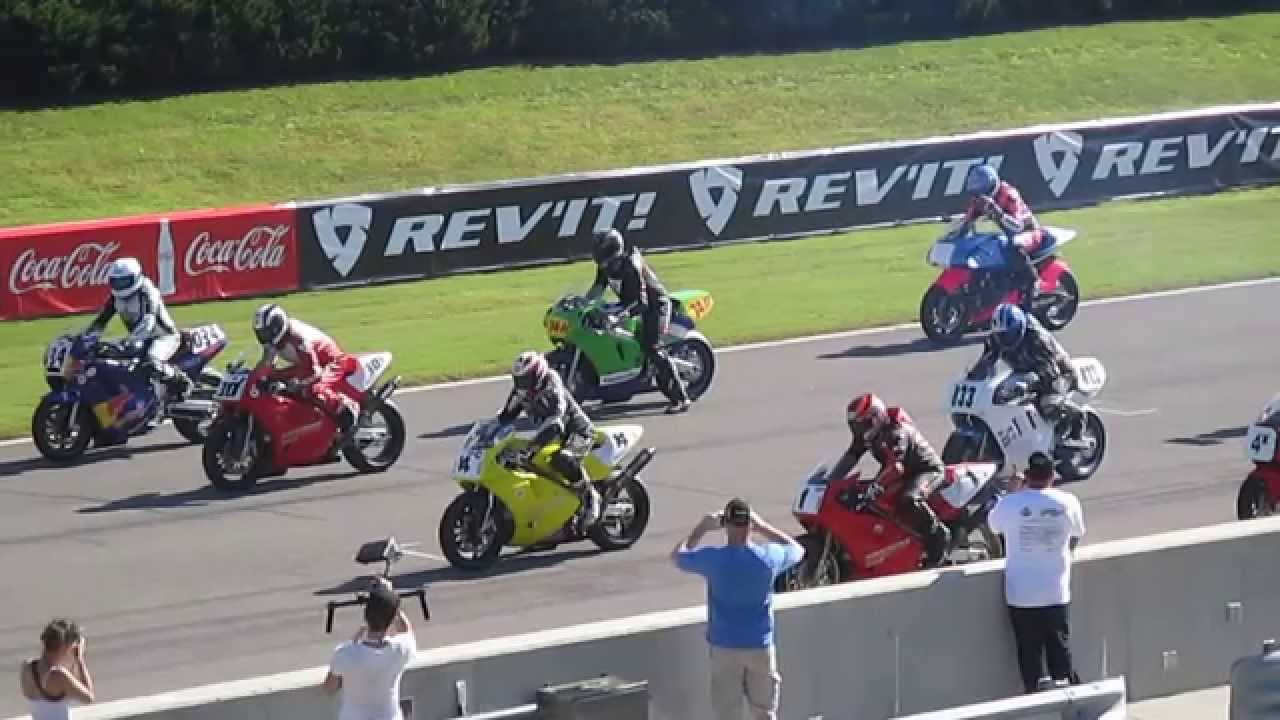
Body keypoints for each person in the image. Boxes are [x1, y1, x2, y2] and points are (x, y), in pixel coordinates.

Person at [672, 498, 805, 720]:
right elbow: (797, 549)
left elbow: (677, 556)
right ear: (749, 524)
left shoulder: (714, 559)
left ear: (726, 524)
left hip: (724, 647)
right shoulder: (768, 558)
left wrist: (702, 528)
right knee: (765, 712)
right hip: (760, 645)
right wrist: (763, 526)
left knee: (727, 713)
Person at [988, 452, 1085, 693]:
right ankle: (1066, 695)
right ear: (1053, 475)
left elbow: (993, 525)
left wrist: (1011, 493)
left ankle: (1034, 694)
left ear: (1027, 476)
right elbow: (1077, 533)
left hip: (1021, 593)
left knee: (1029, 650)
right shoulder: (1068, 502)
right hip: (1055, 591)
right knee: (1060, 650)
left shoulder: (1011, 503)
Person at [828, 393, 952, 567]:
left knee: (909, 499)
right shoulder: (867, 435)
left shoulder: (896, 432)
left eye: (864, 424)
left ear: (876, 417)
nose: (860, 430)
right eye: (856, 426)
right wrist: (831, 481)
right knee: (873, 503)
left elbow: (896, 467)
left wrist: (874, 488)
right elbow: (851, 456)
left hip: (926, 470)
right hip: (901, 473)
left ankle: (938, 535)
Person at [586, 229, 692, 414]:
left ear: (610, 249)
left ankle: (681, 397)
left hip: (654, 306)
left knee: (653, 347)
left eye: (598, 250)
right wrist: (584, 304)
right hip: (629, 303)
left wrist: (619, 316)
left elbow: (641, 303)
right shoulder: (606, 266)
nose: (595, 254)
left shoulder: (630, 266)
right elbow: (597, 288)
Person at [498, 351, 601, 530]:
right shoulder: (521, 392)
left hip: (576, 432)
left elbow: (556, 420)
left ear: (537, 375)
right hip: (552, 434)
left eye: (525, 380)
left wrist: (533, 447)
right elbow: (505, 417)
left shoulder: (552, 384)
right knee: (515, 457)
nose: (520, 385)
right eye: (518, 380)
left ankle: (590, 496)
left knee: (562, 458)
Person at [85, 257, 191, 399]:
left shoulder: (147, 291)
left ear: (136, 277)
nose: (120, 285)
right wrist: (86, 338)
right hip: (139, 338)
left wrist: (130, 342)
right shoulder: (115, 297)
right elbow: (101, 320)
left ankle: (181, 381)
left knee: (151, 362)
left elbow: (149, 319)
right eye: (116, 281)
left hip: (164, 336)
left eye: (124, 281)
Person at [975, 303, 1084, 439]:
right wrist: (973, 379)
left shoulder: (1036, 338)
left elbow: (1051, 372)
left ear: (1019, 327)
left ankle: (1076, 418)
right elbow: (986, 362)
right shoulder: (996, 339)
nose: (1005, 338)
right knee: (1000, 397)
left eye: (1008, 334)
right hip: (1027, 372)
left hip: (1060, 372)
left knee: (1048, 403)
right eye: (1001, 334)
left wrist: (1029, 386)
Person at [252, 303, 359, 433]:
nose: (264, 337)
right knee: (277, 383)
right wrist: (253, 379)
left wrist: (297, 383)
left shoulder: (297, 338)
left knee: (312, 388)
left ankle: (346, 408)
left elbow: (314, 371)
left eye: (267, 332)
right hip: (307, 364)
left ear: (277, 326)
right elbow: (267, 364)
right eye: (261, 333)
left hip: (332, 361)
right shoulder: (274, 341)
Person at [323, 578, 417, 720]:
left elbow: (330, 687)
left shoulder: (345, 653)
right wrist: (389, 596)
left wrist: (354, 640)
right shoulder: (401, 649)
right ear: (391, 619)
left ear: (366, 617)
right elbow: (406, 631)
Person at [961, 164, 1045, 311]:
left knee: (1015, 243)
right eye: (976, 193)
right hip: (1004, 235)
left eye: (981, 192)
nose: (979, 197)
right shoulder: (979, 201)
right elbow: (967, 220)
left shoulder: (1009, 195)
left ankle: (1033, 280)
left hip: (1029, 232)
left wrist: (998, 213)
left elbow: (1018, 226)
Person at [19, 618, 94, 720]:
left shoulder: (27, 667)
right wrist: (79, 659)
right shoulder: (59, 675)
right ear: (65, 646)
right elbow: (89, 697)